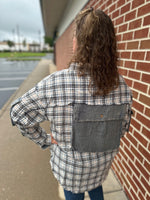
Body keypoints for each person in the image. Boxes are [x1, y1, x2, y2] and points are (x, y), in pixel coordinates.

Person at [10, 8, 132, 200]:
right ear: (110, 46)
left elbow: (17, 113)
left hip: (71, 174)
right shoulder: (121, 86)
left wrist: (44, 139)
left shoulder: (55, 85)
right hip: (100, 169)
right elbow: (122, 128)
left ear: (78, 43)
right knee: (95, 187)